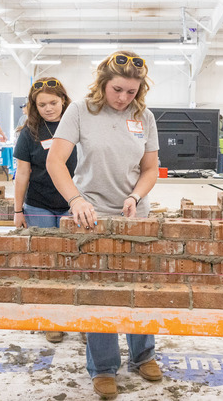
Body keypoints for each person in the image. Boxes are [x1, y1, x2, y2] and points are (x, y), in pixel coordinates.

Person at [47, 51, 162, 400]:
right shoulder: (80, 111)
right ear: (102, 83)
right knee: (100, 291)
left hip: (132, 214)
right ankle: (103, 366)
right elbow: (55, 162)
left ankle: (143, 355)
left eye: (131, 91)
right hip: (91, 215)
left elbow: (150, 169)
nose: (124, 98)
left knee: (139, 289)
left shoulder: (144, 117)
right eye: (117, 89)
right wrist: (76, 200)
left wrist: (137, 196)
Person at [13, 77, 77, 344]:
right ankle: (51, 320)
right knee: (46, 264)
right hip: (39, 204)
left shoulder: (77, 127)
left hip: (73, 205)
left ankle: (79, 320)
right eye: (42, 105)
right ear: (33, 106)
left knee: (73, 264)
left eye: (53, 102)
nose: (48, 108)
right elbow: (22, 173)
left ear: (63, 100)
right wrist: (17, 211)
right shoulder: (29, 133)